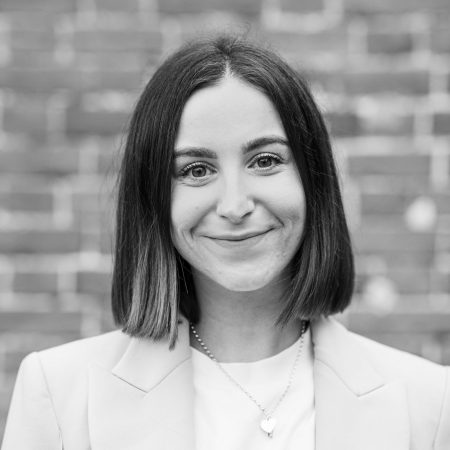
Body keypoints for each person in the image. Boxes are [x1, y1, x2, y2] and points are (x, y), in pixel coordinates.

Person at [2, 34, 449, 450]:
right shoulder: (58, 397)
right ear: (155, 198)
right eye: (196, 170)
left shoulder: (429, 406)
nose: (235, 205)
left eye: (266, 160)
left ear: (314, 181)